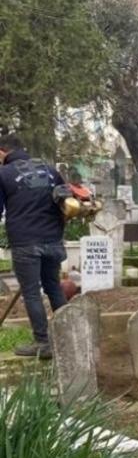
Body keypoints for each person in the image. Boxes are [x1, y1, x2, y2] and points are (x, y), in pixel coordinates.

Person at [0, 134, 68, 359]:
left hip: (25, 242)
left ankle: (43, 341)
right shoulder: (50, 171)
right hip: (53, 239)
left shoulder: (4, 174)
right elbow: (66, 203)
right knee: (54, 288)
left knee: (31, 293)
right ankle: (69, 336)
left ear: (3, 152)